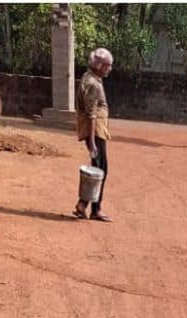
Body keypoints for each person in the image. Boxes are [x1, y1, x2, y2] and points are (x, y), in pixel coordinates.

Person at [74, 48, 113, 222]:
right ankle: (94, 208)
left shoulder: (90, 78)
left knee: (99, 169)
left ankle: (84, 204)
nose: (109, 69)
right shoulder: (93, 84)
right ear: (100, 66)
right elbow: (91, 114)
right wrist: (92, 142)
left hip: (97, 130)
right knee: (100, 169)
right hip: (94, 131)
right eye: (107, 66)